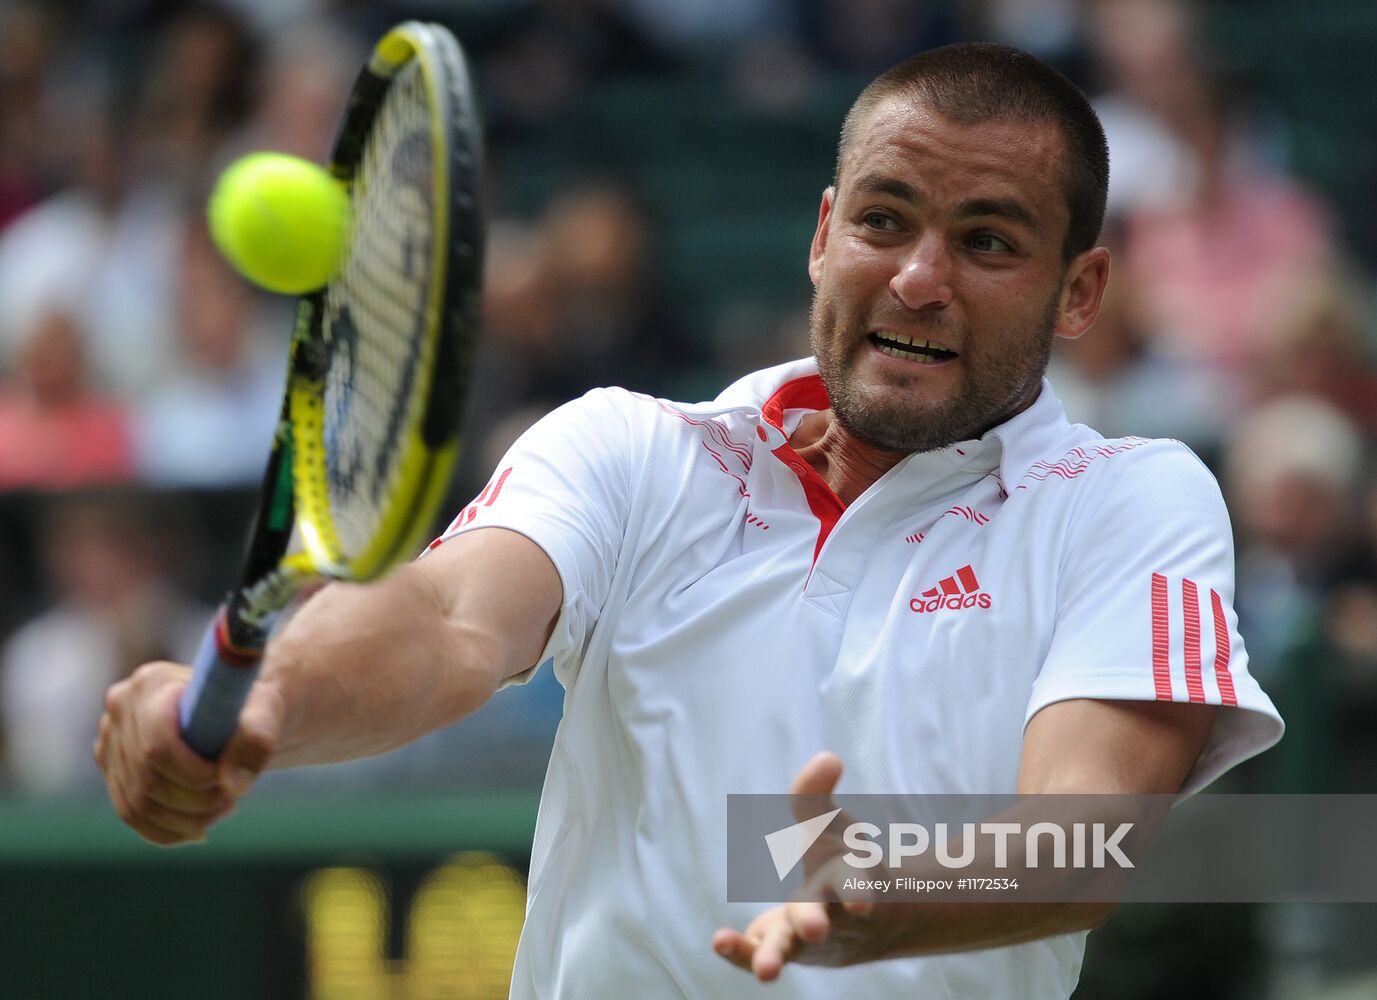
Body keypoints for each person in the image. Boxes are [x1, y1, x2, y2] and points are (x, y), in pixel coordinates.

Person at [95, 43, 1282, 997]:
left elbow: (1089, 835)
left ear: (1079, 292)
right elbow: (451, 618)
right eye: (883, 221)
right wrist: (269, 702)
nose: (920, 276)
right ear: (824, 237)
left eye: (986, 241)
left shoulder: (1130, 497)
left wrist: (890, 897)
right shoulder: (633, 448)